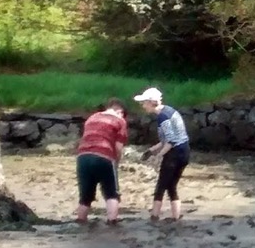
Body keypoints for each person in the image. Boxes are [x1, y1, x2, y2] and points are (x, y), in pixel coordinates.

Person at [134, 87, 191, 222]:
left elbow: (170, 141)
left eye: (143, 103)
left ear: (151, 102)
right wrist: (151, 151)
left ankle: (154, 217)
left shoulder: (162, 116)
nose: (142, 106)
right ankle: (175, 217)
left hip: (175, 154)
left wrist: (158, 156)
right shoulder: (169, 110)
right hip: (184, 152)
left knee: (161, 186)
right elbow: (166, 140)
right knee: (171, 186)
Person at [75, 98, 128, 225]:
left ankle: (80, 222)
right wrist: (116, 163)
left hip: (83, 156)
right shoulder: (120, 121)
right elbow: (118, 147)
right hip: (104, 156)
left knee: (85, 197)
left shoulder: (92, 118)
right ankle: (112, 222)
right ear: (120, 111)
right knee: (111, 193)